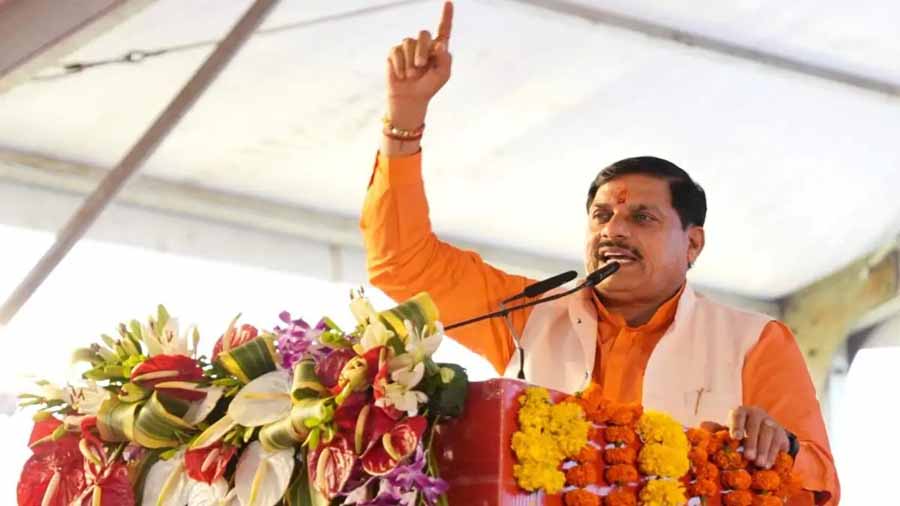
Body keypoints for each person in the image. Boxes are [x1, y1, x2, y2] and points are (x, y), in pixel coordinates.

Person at [359, 2, 838, 503]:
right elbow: (402, 263)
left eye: (642, 218)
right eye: (601, 215)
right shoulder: (527, 315)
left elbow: (821, 485)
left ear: (693, 243)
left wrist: (780, 446)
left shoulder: (752, 341)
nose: (613, 231)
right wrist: (404, 117)